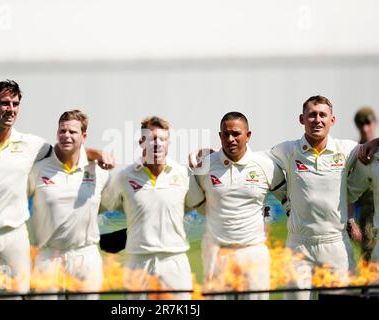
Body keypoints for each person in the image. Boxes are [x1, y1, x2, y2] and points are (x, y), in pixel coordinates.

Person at [0, 80, 113, 296]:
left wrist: (96, 154)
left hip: (15, 237)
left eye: (15, 103)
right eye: (4, 103)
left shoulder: (32, 144)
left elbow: (67, 149)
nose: (10, 109)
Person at [269, 95, 370, 300]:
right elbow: (252, 161)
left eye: (323, 115)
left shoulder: (346, 149)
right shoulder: (288, 150)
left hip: (335, 245)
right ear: (302, 119)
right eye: (312, 115)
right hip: (299, 246)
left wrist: (375, 141)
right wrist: (215, 155)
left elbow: (369, 152)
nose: (317, 120)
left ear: (332, 120)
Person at [101, 116, 205, 300]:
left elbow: (200, 205)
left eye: (162, 139)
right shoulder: (124, 176)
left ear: (169, 142)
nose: (157, 144)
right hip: (138, 263)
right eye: (151, 139)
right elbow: (98, 206)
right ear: (141, 142)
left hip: (174, 261)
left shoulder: (182, 174)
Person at [193, 112, 286, 300]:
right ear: (219, 136)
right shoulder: (205, 166)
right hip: (217, 253)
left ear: (248, 135)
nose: (230, 139)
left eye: (236, 134)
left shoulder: (265, 165)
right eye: (225, 134)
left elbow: (287, 197)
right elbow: (195, 201)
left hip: (253, 252)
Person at [29, 110, 109, 300]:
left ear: (84, 136)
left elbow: (114, 202)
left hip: (85, 256)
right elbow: (13, 198)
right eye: (62, 131)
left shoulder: (99, 171)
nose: (66, 136)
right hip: (47, 257)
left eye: (72, 132)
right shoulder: (39, 169)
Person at [352, 107, 377, 262]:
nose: (365, 128)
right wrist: (351, 222)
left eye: (368, 122)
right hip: (365, 211)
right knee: (368, 253)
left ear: (375, 123)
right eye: (360, 124)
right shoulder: (353, 151)